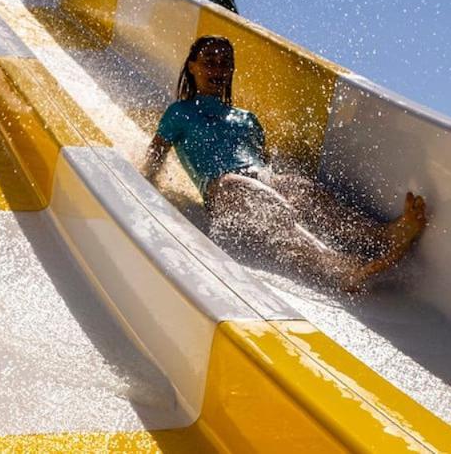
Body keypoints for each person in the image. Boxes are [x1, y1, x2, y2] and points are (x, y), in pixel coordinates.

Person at [142, 35, 428, 292]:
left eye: (224, 63)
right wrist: (146, 186)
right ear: (192, 66)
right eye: (209, 62)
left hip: (261, 179)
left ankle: (385, 235)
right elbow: (156, 153)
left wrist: (276, 184)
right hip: (223, 188)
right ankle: (342, 269)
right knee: (266, 201)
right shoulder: (180, 112)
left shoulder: (246, 118)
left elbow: (260, 160)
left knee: (304, 189)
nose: (217, 69)